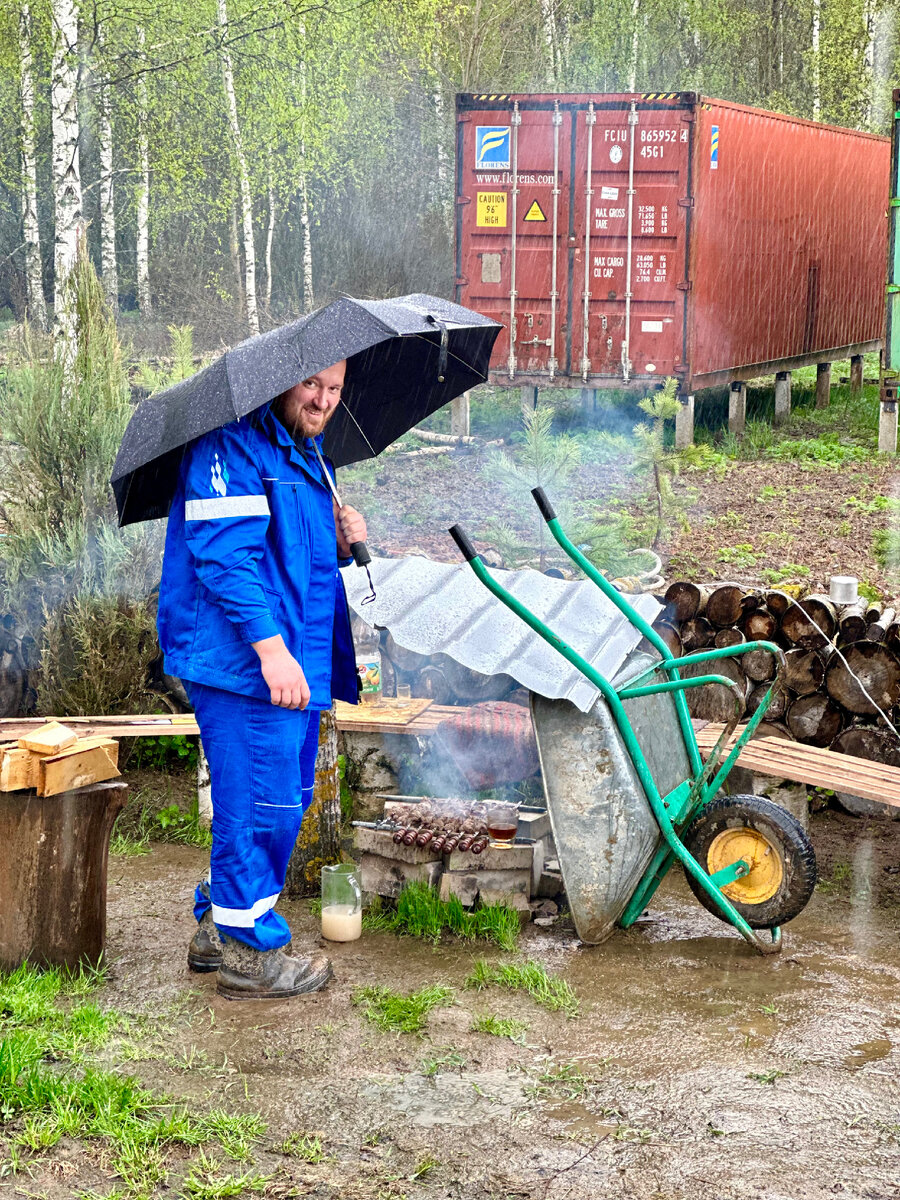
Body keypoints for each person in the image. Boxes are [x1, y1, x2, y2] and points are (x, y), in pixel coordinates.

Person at [157, 359, 365, 1000]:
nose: (323, 401)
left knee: (284, 795)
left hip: (293, 660)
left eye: (333, 389)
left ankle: (218, 929)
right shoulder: (227, 446)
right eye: (312, 385)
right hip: (246, 661)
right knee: (262, 806)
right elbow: (225, 558)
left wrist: (339, 540)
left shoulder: (306, 453)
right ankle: (250, 956)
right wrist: (273, 654)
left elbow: (291, 556)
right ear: (281, 379)